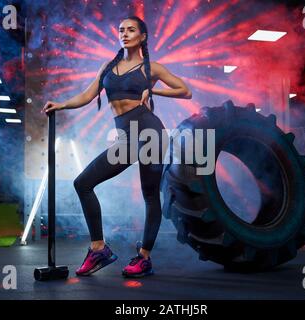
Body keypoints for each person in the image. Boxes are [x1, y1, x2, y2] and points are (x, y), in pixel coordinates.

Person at [41, 16, 192, 278]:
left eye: (131, 30)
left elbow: (185, 90)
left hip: (149, 132)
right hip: (127, 135)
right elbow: (88, 96)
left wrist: (154, 93)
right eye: (121, 30)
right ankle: (99, 248)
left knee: (149, 194)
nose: (125, 33)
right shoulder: (108, 67)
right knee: (84, 183)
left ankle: (143, 257)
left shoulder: (151, 68)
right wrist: (62, 104)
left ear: (142, 36)